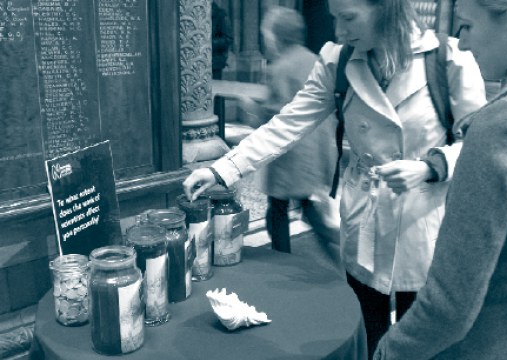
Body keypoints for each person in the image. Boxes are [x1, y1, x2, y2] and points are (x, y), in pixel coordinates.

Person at [184, 0, 486, 357]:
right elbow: (288, 123)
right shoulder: (340, 61)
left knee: (419, 335)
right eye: (334, 19)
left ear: (388, 9)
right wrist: (222, 168)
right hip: (366, 215)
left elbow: (480, 142)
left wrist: (430, 166)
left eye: (348, 18)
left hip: (425, 219)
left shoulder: (447, 60)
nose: (339, 32)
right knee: (368, 322)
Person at [373, 0, 507, 359]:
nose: (462, 43)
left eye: (466, 26)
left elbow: (450, 306)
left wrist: (390, 350)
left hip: (492, 341)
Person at [238, 6, 340, 258]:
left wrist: (252, 108)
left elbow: (277, 116)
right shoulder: (314, 59)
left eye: (267, 36)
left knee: (278, 210)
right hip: (313, 149)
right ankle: (334, 244)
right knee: (306, 204)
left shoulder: (280, 67)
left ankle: (284, 258)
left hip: (288, 157)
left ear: (276, 37)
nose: (266, 42)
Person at [212, 1, 233, 80]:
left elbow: (228, 39)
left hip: (215, 59)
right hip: (199, 59)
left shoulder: (220, 15)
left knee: (215, 86)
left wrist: (209, 44)